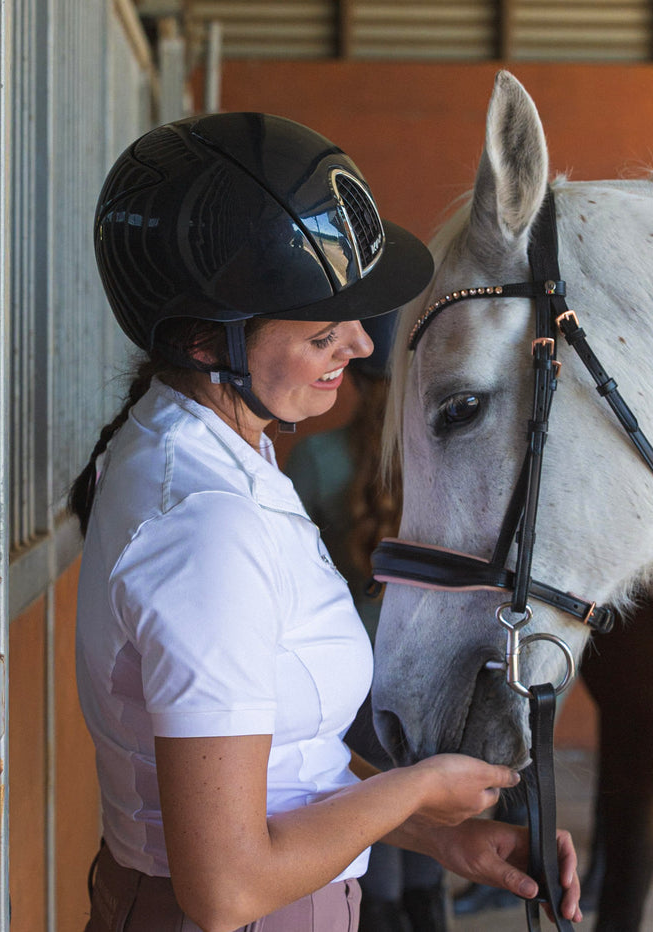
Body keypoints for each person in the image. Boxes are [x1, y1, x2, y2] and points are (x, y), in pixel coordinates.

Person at [70, 112, 582, 932]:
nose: (356, 343)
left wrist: (442, 839)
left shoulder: (220, 451)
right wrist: (414, 786)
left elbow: (277, 765)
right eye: (321, 327)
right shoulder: (208, 525)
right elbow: (227, 889)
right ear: (211, 341)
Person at [284, 314, 448, 932]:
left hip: (354, 666)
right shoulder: (446, 465)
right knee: (429, 809)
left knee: (374, 809)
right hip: (431, 660)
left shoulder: (315, 459)